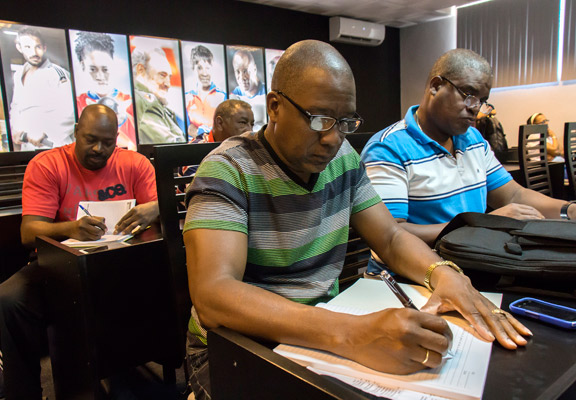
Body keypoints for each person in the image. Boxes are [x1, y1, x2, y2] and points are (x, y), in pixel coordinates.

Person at [183, 40, 530, 400]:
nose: (333, 138)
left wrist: (442, 273)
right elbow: (214, 293)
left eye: (345, 122)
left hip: (316, 334)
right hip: (235, 348)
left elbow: (391, 238)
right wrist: (351, 334)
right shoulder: (228, 169)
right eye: (319, 119)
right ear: (275, 107)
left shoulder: (342, 159)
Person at [0, 104, 159, 399]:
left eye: (107, 142)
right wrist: (71, 228)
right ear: (76, 131)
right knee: (6, 302)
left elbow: (164, 207)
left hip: (122, 263)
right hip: (59, 265)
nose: (99, 149)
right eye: (91, 139)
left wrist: (154, 208)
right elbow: (28, 232)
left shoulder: (135, 164)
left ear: (117, 139)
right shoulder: (48, 165)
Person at [360, 49, 576, 259]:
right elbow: (391, 234)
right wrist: (483, 224)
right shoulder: (389, 148)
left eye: (482, 101)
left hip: (473, 258)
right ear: (436, 86)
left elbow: (513, 195)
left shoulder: (473, 139)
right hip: (413, 273)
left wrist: (568, 210)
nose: (475, 109)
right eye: (469, 95)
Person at [9, 27, 75, 151]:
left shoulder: (56, 73)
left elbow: (71, 112)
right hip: (27, 142)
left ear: (44, 48)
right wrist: (15, 130)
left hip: (52, 143)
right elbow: (16, 106)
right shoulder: (19, 74)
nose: (34, 52)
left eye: (38, 47)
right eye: (28, 47)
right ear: (19, 48)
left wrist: (45, 132)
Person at [73, 31, 136, 150]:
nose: (100, 76)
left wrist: (124, 120)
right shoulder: (76, 104)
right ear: (82, 66)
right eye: (93, 69)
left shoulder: (131, 104)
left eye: (105, 69)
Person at [132, 46, 186, 144]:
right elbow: (171, 146)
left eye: (169, 77)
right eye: (162, 75)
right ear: (140, 70)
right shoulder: (147, 103)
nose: (168, 84)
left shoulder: (154, 103)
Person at [185, 45, 227, 139]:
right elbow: (187, 131)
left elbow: (224, 130)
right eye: (199, 68)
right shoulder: (187, 97)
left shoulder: (222, 96)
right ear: (193, 69)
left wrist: (199, 131)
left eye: (207, 68)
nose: (204, 73)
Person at [229, 49, 266, 131]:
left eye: (245, 71)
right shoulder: (233, 96)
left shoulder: (267, 92)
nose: (242, 77)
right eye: (237, 72)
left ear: (254, 69)